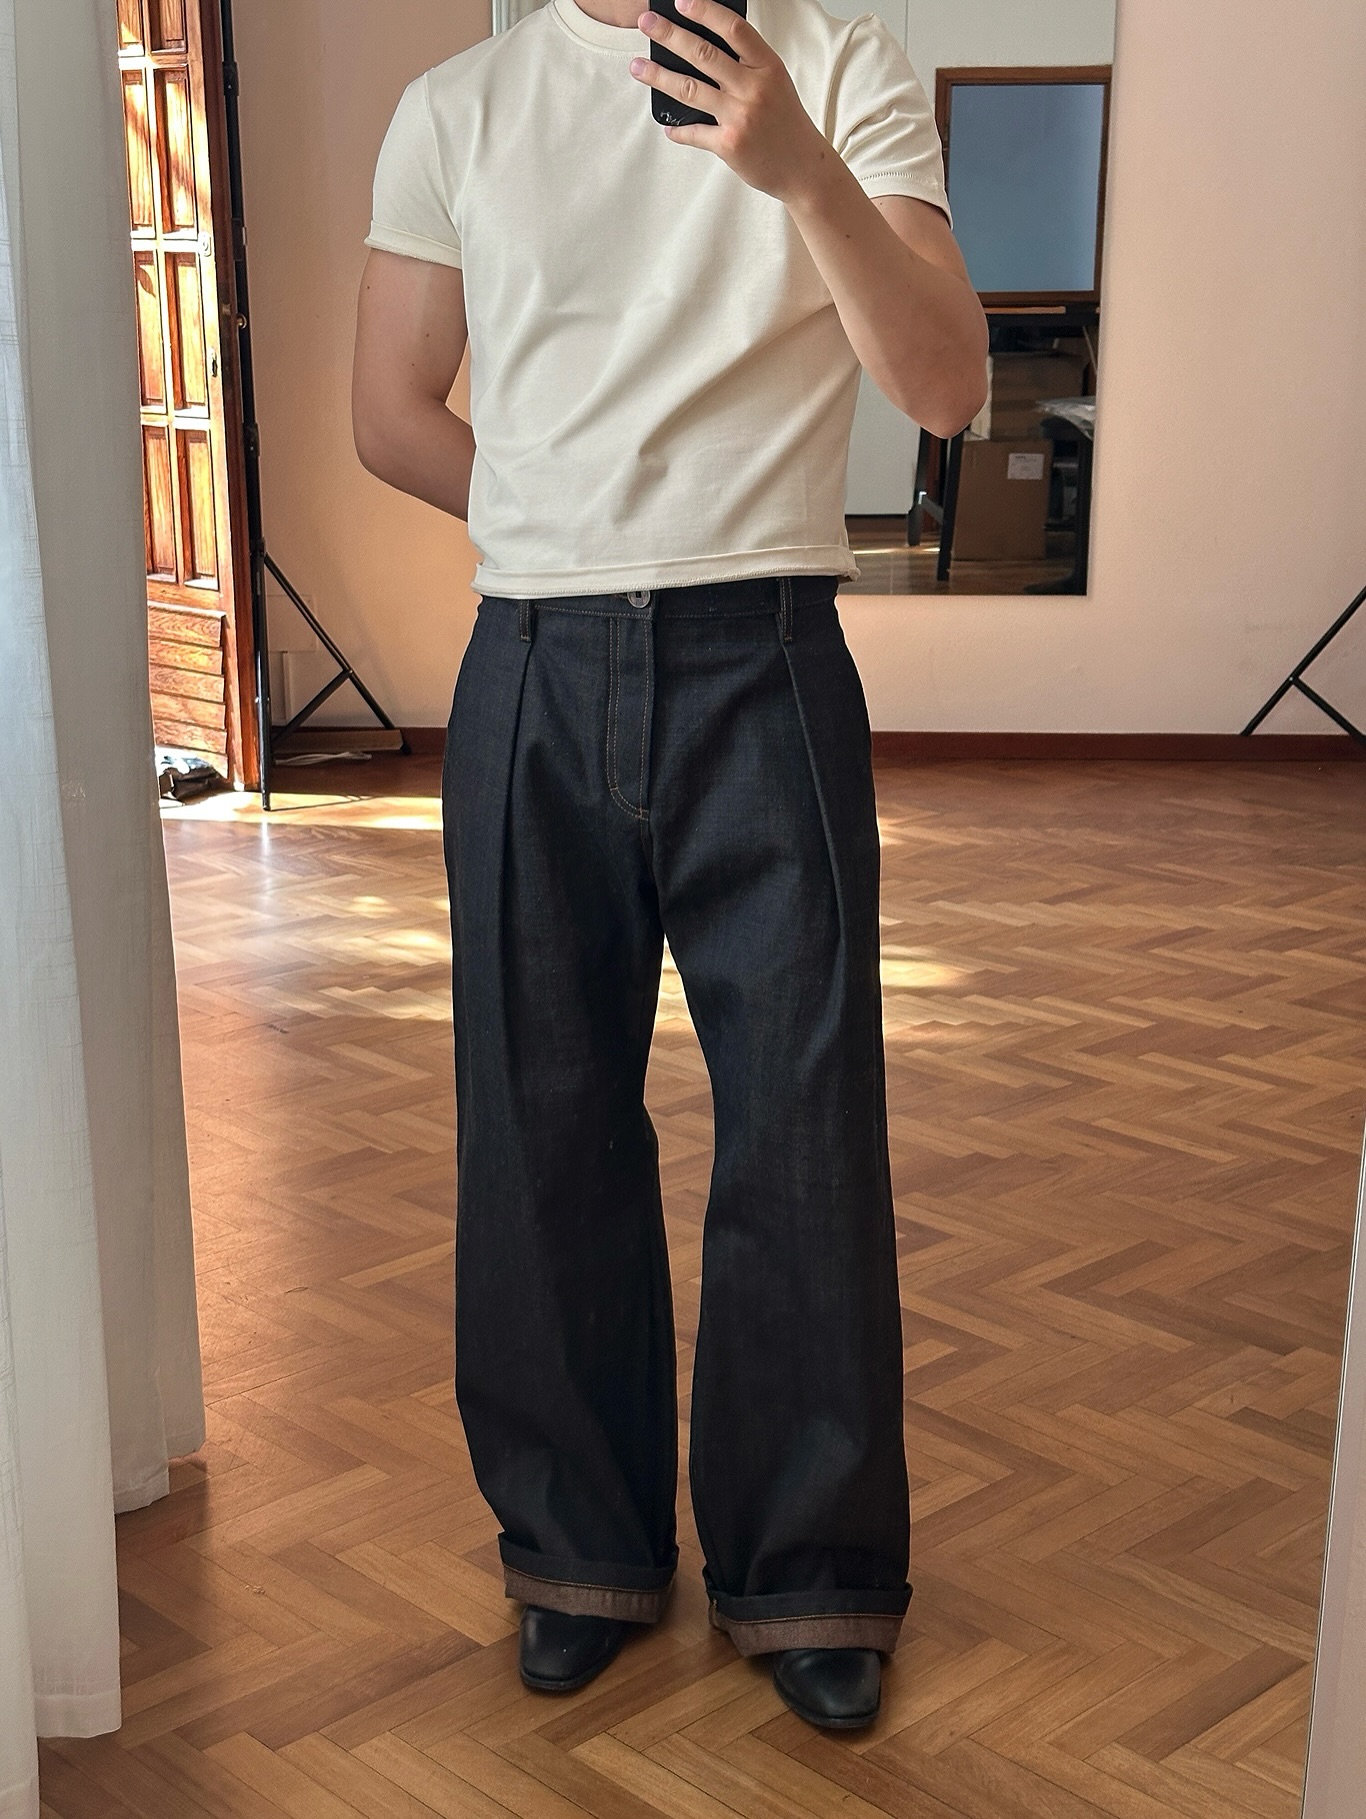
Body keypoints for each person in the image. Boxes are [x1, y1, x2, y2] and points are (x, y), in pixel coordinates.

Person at [352, 0, 986, 1730]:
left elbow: (945, 388)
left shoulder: (840, 63)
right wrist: (565, 513)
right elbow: (390, 412)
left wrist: (798, 173)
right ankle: (575, 1549)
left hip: (763, 651)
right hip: (533, 657)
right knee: (536, 1117)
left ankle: (812, 1570)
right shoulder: (458, 106)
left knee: (803, 1123)